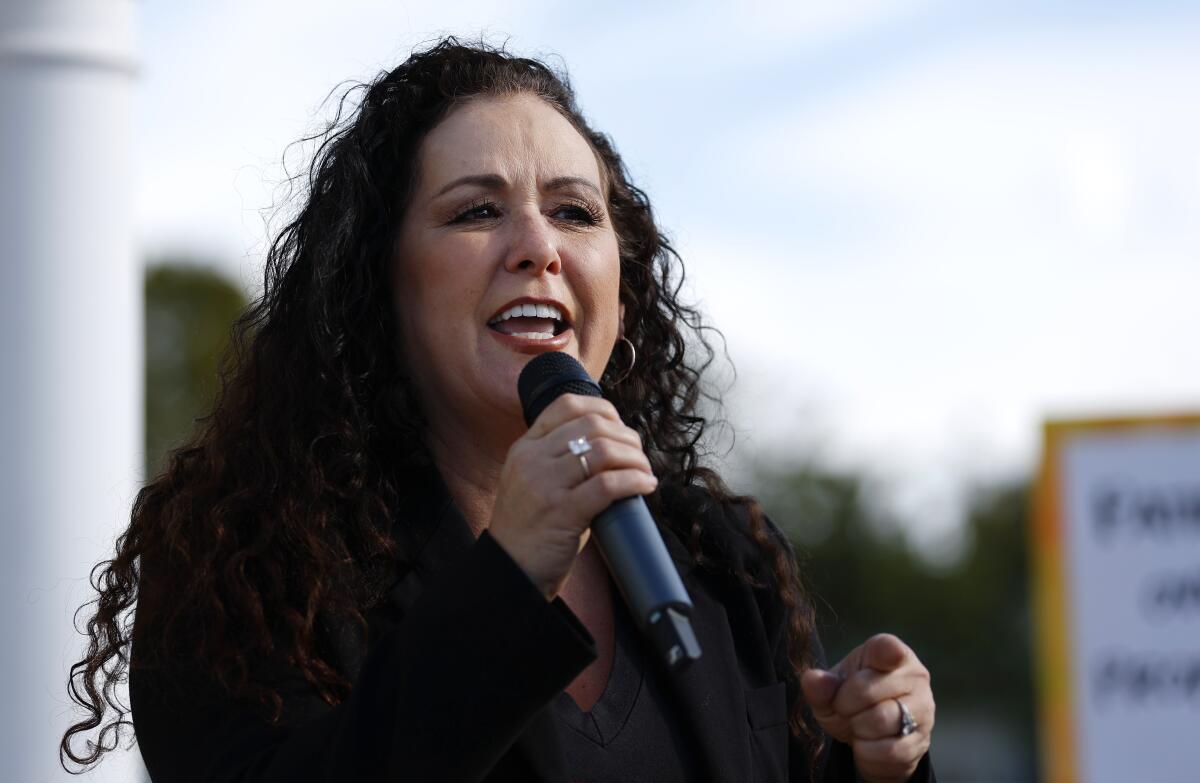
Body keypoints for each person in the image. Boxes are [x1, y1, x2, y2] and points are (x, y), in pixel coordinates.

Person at [62, 38, 937, 782]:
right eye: (477, 211)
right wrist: (509, 578)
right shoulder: (254, 565)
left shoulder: (721, 561)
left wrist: (875, 762)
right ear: (377, 282)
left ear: (622, 284)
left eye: (574, 212)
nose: (538, 247)